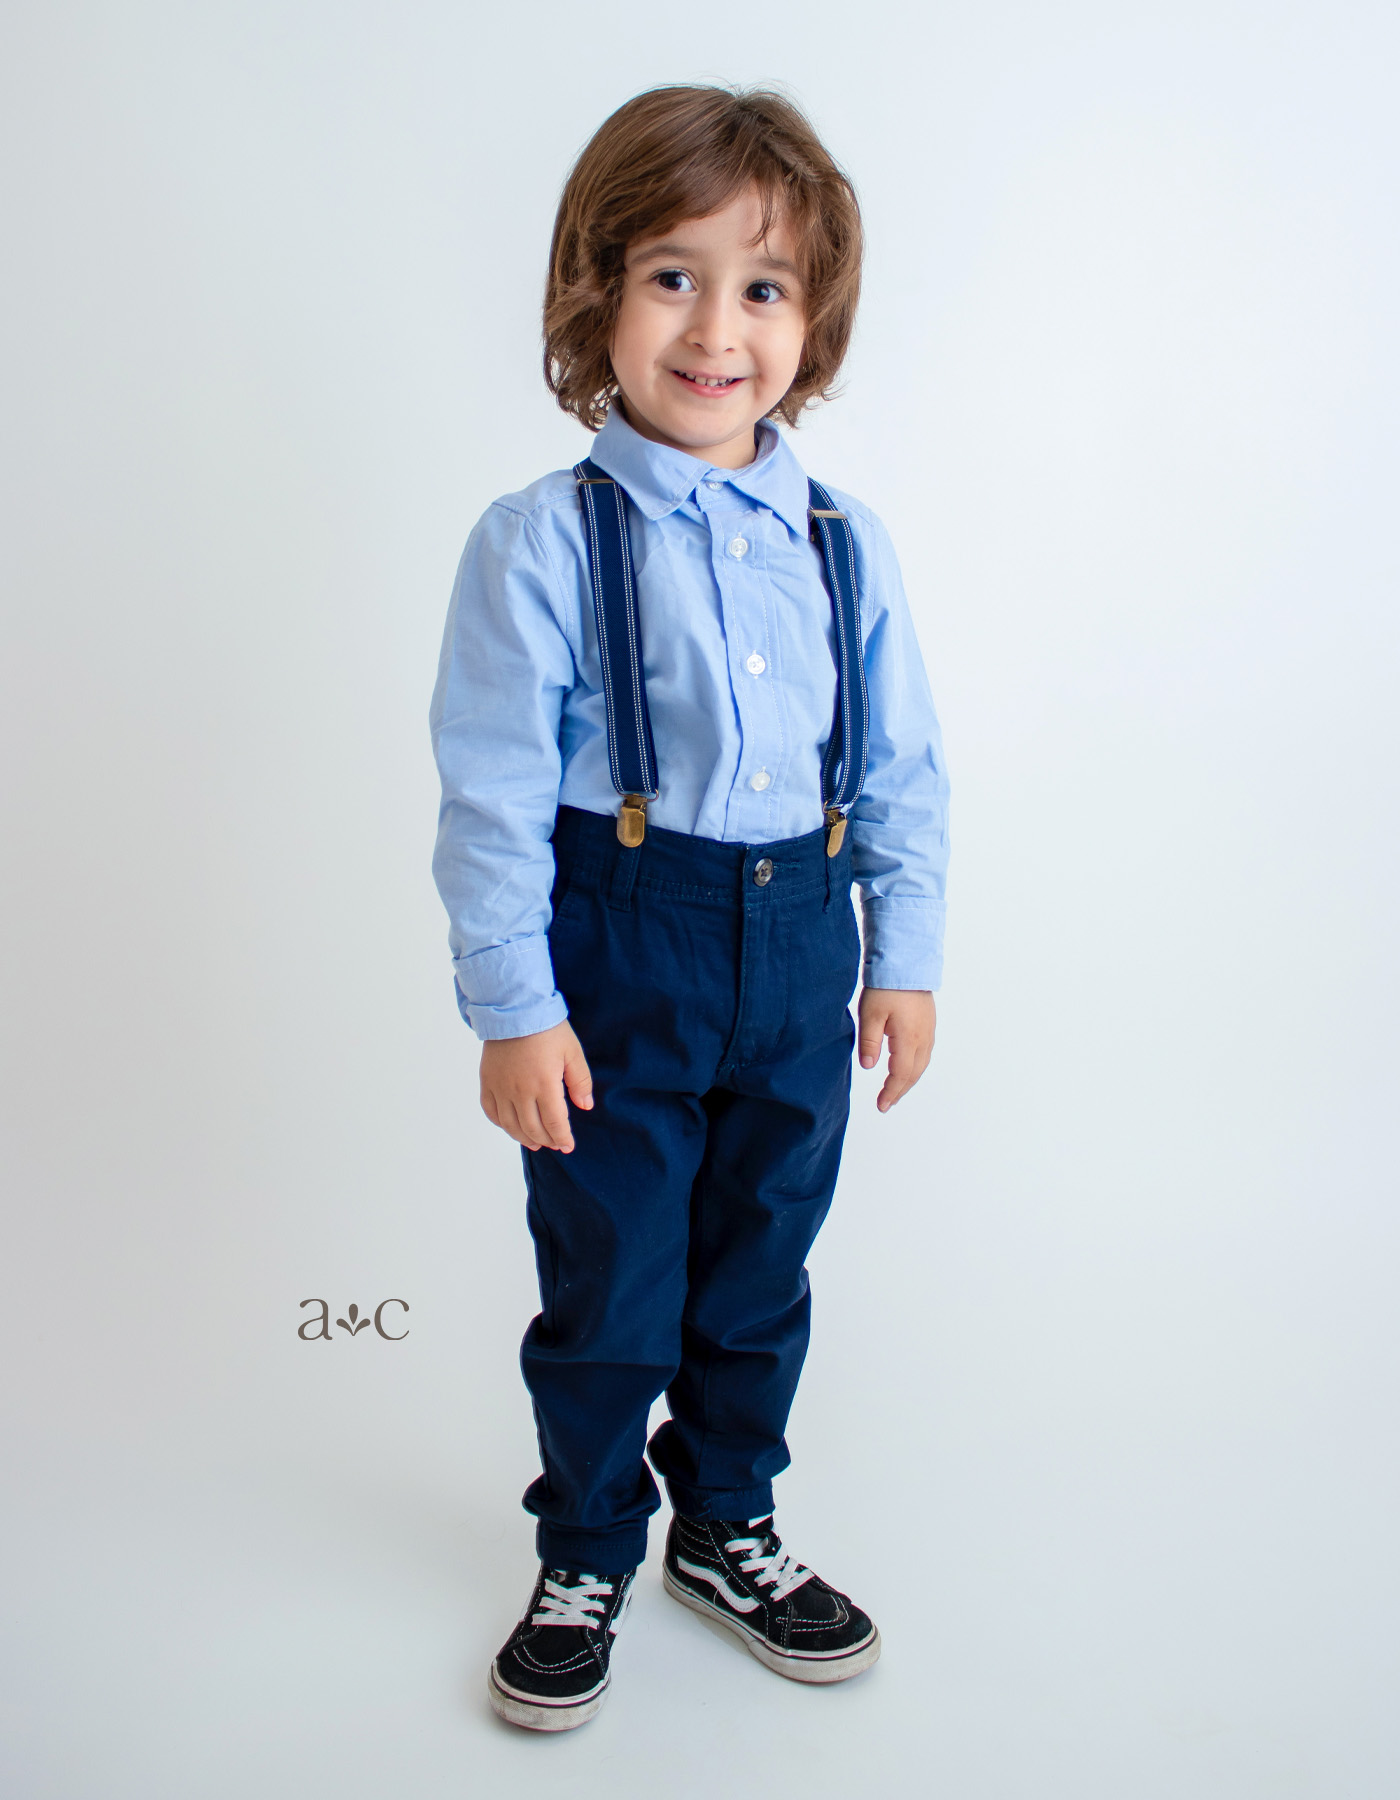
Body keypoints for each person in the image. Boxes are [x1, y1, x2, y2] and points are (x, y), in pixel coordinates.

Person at [430, 84, 950, 1732]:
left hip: (801, 955)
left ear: (812, 321)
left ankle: (727, 1524)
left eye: (764, 287)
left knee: (758, 1272)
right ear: (597, 291)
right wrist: (515, 1005)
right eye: (673, 276)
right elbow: (492, 793)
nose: (719, 329)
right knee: (613, 1282)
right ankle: (587, 1542)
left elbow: (905, 768)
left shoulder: (843, 543)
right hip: (621, 958)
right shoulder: (540, 541)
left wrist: (904, 958)